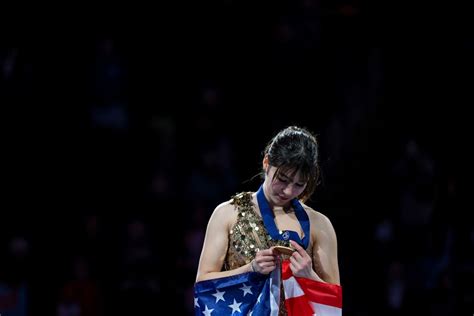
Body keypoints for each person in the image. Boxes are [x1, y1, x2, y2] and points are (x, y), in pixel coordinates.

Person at [194, 125, 341, 315]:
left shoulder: (320, 225)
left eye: (299, 184)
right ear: (266, 162)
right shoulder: (228, 213)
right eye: (283, 178)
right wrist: (251, 268)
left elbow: (333, 303)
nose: (288, 191)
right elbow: (203, 285)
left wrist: (309, 275)